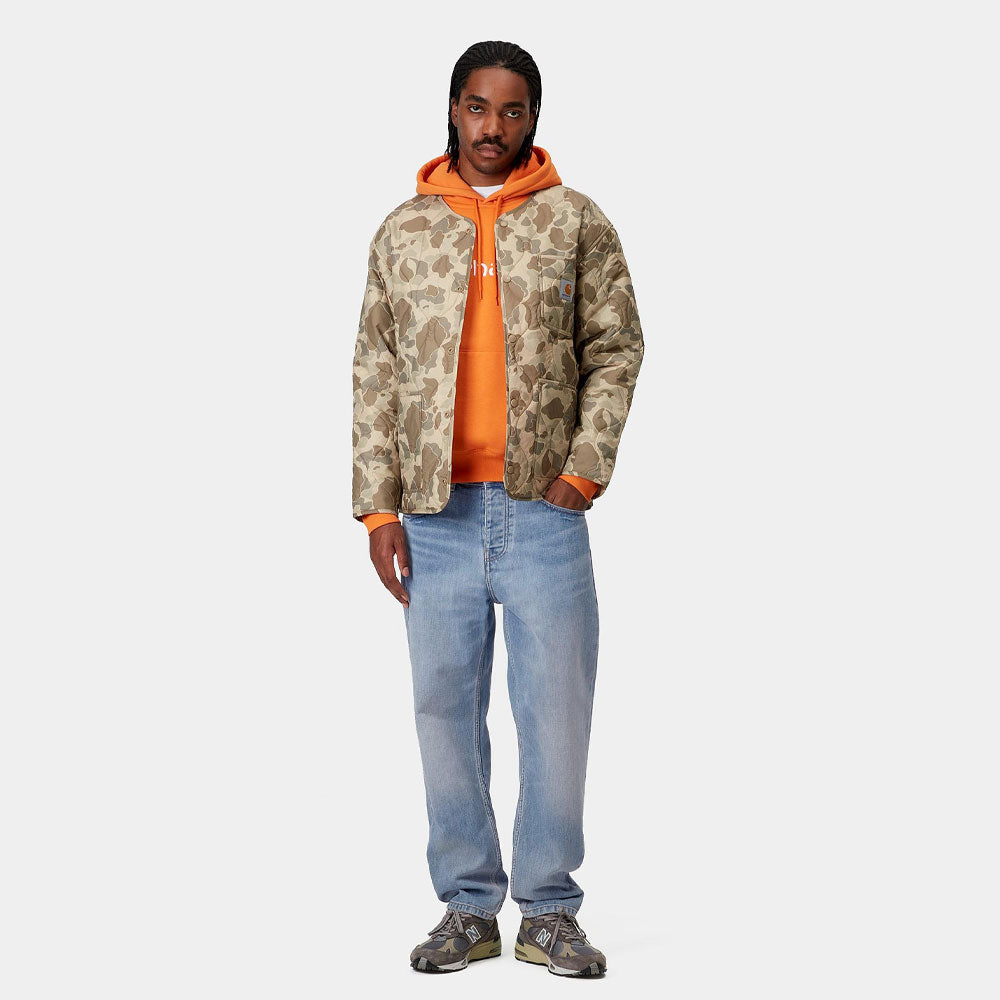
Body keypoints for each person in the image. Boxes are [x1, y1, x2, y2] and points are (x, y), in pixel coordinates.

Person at [351, 39, 644, 977]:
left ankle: (549, 910)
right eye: (477, 107)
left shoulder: (576, 220)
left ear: (533, 119)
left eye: (512, 111)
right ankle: (468, 907)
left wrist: (584, 472)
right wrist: (378, 511)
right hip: (433, 518)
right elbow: (375, 370)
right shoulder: (404, 230)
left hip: (543, 513)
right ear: (453, 109)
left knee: (556, 714)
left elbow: (617, 347)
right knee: (443, 711)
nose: (493, 127)